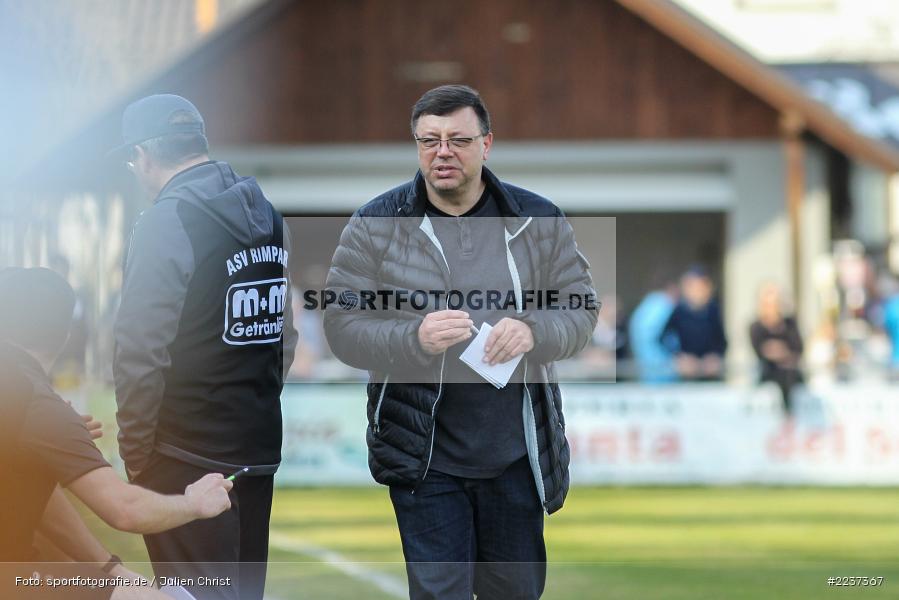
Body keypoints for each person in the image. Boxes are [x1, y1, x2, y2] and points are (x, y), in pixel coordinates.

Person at [323, 85, 598, 600]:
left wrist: (534, 330)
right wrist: (414, 337)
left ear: (486, 144)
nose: (442, 152)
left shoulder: (537, 219)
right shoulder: (375, 223)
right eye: (429, 141)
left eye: (457, 140)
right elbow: (342, 326)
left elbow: (580, 309)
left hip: (516, 459)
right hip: (423, 458)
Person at [110, 94, 297, 600]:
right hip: (255, 446)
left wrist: (136, 452)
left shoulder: (165, 219)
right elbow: (283, 331)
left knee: (192, 596)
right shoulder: (269, 214)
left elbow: (139, 348)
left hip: (182, 450)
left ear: (145, 155)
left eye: (133, 161)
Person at [0, 267, 233, 600]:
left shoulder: (31, 408)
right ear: (66, 335)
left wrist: (110, 568)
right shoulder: (41, 408)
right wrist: (194, 502)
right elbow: (124, 509)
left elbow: (33, 493)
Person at [661, 266, 727, 381]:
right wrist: (679, 357)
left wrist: (715, 357)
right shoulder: (679, 311)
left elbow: (722, 342)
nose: (699, 292)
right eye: (695, 287)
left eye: (703, 287)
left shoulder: (713, 311)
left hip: (709, 374)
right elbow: (663, 338)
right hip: (687, 375)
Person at [749, 282, 804, 415]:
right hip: (769, 374)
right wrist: (782, 352)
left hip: (792, 377)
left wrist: (778, 351)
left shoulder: (789, 324)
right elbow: (761, 351)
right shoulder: (756, 327)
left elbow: (798, 349)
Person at [629, 272, 679, 383]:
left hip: (646, 371)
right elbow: (670, 337)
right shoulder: (665, 305)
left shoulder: (644, 306)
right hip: (664, 371)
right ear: (671, 288)